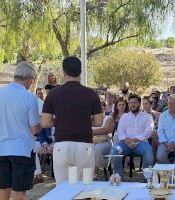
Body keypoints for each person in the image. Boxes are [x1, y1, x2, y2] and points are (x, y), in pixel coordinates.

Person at [41, 56, 103, 185]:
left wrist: (60, 120)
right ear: (80, 72)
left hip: (62, 145)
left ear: (63, 72)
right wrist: (82, 120)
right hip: (84, 145)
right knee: (84, 188)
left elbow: (45, 122)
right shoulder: (91, 94)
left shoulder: (53, 94)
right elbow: (98, 122)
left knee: (63, 189)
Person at [0, 62, 40, 200]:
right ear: (29, 78)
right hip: (21, 150)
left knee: (3, 190)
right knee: (19, 193)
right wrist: (45, 123)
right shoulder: (29, 97)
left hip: (1, 149)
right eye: (33, 80)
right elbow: (34, 129)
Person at [110, 94, 154, 178]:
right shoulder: (124, 117)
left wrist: (135, 140)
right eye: (130, 103)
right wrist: (127, 141)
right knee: (114, 151)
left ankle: (148, 178)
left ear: (139, 103)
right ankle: (119, 177)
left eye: (135, 103)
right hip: (125, 143)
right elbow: (120, 132)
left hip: (141, 143)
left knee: (148, 152)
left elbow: (148, 131)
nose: (132, 105)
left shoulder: (147, 116)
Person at [156, 94, 175, 175]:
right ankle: (173, 171)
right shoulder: (163, 115)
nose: (170, 106)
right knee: (160, 155)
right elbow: (160, 131)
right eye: (169, 103)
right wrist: (166, 143)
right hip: (166, 142)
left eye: (172, 104)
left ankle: (172, 175)